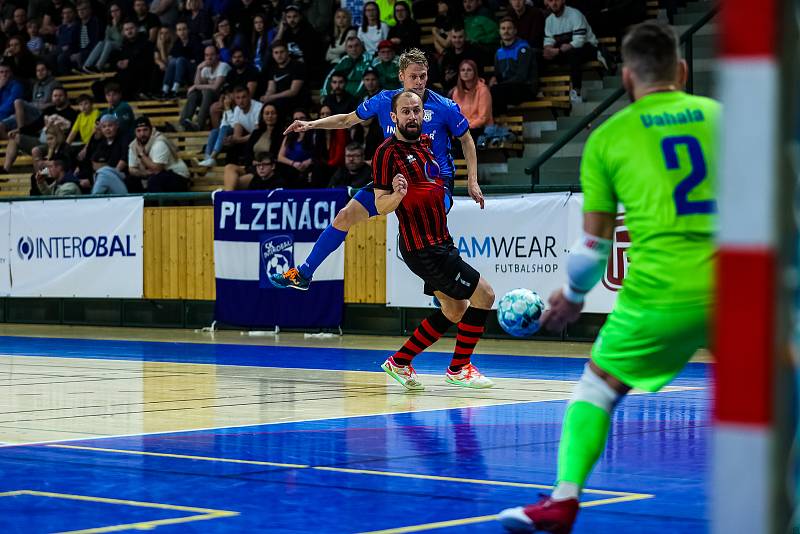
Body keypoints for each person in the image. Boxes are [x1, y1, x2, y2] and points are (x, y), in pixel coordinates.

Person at [497, 21, 720, 533]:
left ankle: (563, 501)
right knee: (777, 391)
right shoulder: (723, 118)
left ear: (625, 78)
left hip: (657, 294)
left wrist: (573, 297)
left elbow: (595, 246)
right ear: (682, 72)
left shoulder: (610, 136)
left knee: (596, 391)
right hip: (736, 288)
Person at [271, 47, 483, 291]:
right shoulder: (384, 100)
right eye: (413, 76)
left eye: (423, 75)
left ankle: (443, 288)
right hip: (395, 178)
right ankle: (304, 273)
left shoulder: (444, 106)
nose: (419, 81)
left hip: (434, 183)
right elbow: (347, 120)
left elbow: (466, 139)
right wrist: (310, 124)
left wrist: (472, 181)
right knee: (344, 216)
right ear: (401, 76)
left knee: (422, 240)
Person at [375, 90, 495, 390]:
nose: (413, 116)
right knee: (484, 295)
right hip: (423, 247)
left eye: (417, 111)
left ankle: (400, 362)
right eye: (406, 111)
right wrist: (397, 195)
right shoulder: (386, 153)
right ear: (394, 117)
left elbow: (463, 141)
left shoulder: (427, 144)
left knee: (454, 310)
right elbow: (379, 206)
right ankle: (459, 368)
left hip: (440, 240)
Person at [542, 0, 604, 103]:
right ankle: (544, 93)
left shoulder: (575, 14)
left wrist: (557, 51)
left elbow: (579, 41)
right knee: (540, 56)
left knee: (573, 53)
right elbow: (549, 40)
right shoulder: (549, 20)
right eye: (551, 1)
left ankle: (576, 92)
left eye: (556, 0)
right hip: (564, 50)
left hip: (587, 47)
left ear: (563, 1)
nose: (554, 4)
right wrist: (548, 50)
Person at [222, 103, 281, 189]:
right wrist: (252, 162)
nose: (270, 116)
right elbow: (247, 152)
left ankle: (228, 198)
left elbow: (276, 155)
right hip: (252, 166)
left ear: (277, 115)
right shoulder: (256, 133)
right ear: (262, 116)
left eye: (273, 113)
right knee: (229, 167)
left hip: (265, 169)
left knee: (236, 182)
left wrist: (261, 163)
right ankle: (228, 197)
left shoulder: (282, 134)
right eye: (267, 113)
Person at [128, 115, 190, 192]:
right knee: (130, 180)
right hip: (155, 176)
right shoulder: (134, 145)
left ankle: (156, 204)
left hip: (178, 176)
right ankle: (142, 204)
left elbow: (157, 170)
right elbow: (131, 169)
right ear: (135, 132)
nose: (142, 134)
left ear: (151, 130)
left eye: (145, 130)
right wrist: (145, 173)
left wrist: (141, 154)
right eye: (139, 131)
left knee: (154, 180)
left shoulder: (159, 142)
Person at [490, 17, 537, 115]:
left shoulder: (523, 48)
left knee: (496, 91)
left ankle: (497, 124)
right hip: (506, 88)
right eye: (503, 28)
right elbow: (498, 75)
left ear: (515, 31)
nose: (506, 31)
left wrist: (500, 85)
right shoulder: (499, 52)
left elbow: (521, 77)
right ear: (499, 31)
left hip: (525, 88)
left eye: (509, 28)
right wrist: (494, 79)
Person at [179, 45, 230, 130]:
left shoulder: (223, 66)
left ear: (218, 55)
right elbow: (197, 84)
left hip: (222, 97)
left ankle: (199, 124)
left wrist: (196, 86)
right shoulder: (206, 68)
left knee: (207, 91)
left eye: (212, 55)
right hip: (207, 98)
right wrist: (198, 69)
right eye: (206, 55)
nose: (209, 58)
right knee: (194, 94)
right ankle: (183, 123)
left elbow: (215, 87)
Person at [259, 40, 307, 110]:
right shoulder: (273, 68)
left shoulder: (297, 66)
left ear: (287, 52)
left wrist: (272, 97)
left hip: (297, 102)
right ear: (272, 54)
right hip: (279, 102)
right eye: (276, 53)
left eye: (282, 52)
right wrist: (266, 97)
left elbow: (293, 91)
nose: (279, 55)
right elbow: (271, 89)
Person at [450, 59, 491, 138]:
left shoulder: (483, 90)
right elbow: (455, 115)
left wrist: (465, 127)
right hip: (464, 129)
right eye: (463, 70)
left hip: (481, 129)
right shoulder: (456, 91)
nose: (465, 72)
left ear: (475, 73)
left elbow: (483, 118)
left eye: (469, 70)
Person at [161, 20, 203, 97]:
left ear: (188, 30)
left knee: (180, 60)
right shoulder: (177, 42)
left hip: (195, 71)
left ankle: (175, 89)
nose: (182, 32)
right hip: (181, 70)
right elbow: (171, 58)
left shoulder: (195, 40)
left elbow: (198, 59)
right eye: (179, 30)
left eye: (184, 29)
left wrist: (184, 59)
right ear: (176, 32)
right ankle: (165, 89)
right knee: (174, 61)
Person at [115, 20, 155, 100]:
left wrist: (130, 63)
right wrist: (118, 63)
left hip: (140, 76)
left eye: (131, 28)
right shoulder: (123, 45)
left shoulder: (146, 43)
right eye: (126, 29)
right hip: (123, 75)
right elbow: (116, 60)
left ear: (137, 28)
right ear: (123, 32)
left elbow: (148, 63)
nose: (129, 31)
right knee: (97, 86)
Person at [439, 25, 486, 93]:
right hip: (449, 91)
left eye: (460, 37)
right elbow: (442, 78)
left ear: (465, 37)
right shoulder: (447, 55)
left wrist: (459, 88)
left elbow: (480, 74)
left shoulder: (474, 53)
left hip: (470, 89)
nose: (457, 40)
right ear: (451, 38)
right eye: (454, 37)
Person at [83, 3, 124, 72]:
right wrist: (113, 26)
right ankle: (87, 66)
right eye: (112, 11)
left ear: (121, 11)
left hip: (122, 45)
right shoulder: (109, 25)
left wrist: (115, 26)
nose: (114, 13)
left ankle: (99, 66)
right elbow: (106, 39)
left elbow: (121, 40)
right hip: (112, 45)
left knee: (109, 43)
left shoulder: (125, 23)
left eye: (116, 10)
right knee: (101, 42)